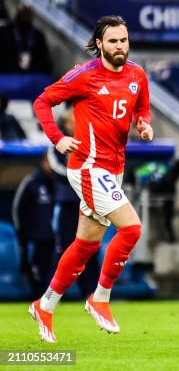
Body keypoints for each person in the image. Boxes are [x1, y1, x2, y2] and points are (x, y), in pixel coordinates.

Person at [29, 15, 153, 343]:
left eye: (123, 40)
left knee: (86, 245)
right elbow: (42, 101)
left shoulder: (137, 75)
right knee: (131, 228)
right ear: (99, 44)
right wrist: (57, 138)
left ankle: (45, 305)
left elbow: (142, 108)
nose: (120, 47)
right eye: (113, 41)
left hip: (114, 169)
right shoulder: (85, 75)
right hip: (87, 167)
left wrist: (143, 123)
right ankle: (100, 298)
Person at [47, 107, 99, 298]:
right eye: (74, 120)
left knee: (89, 249)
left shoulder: (89, 141)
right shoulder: (57, 145)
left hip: (87, 203)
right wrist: (80, 176)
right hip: (67, 203)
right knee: (63, 249)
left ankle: (92, 295)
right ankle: (51, 294)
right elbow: (56, 168)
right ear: (67, 123)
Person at [12, 154, 55, 299]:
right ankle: (37, 298)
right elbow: (17, 209)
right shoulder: (31, 182)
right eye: (50, 162)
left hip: (55, 238)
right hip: (35, 239)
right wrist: (23, 233)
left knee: (54, 269)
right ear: (44, 162)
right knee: (36, 269)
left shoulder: (60, 182)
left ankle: (51, 299)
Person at [0, 4, 51, 73]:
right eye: (23, 12)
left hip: (31, 75)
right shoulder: (4, 32)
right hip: (7, 74)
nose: (25, 15)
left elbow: (45, 63)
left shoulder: (38, 35)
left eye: (27, 13)